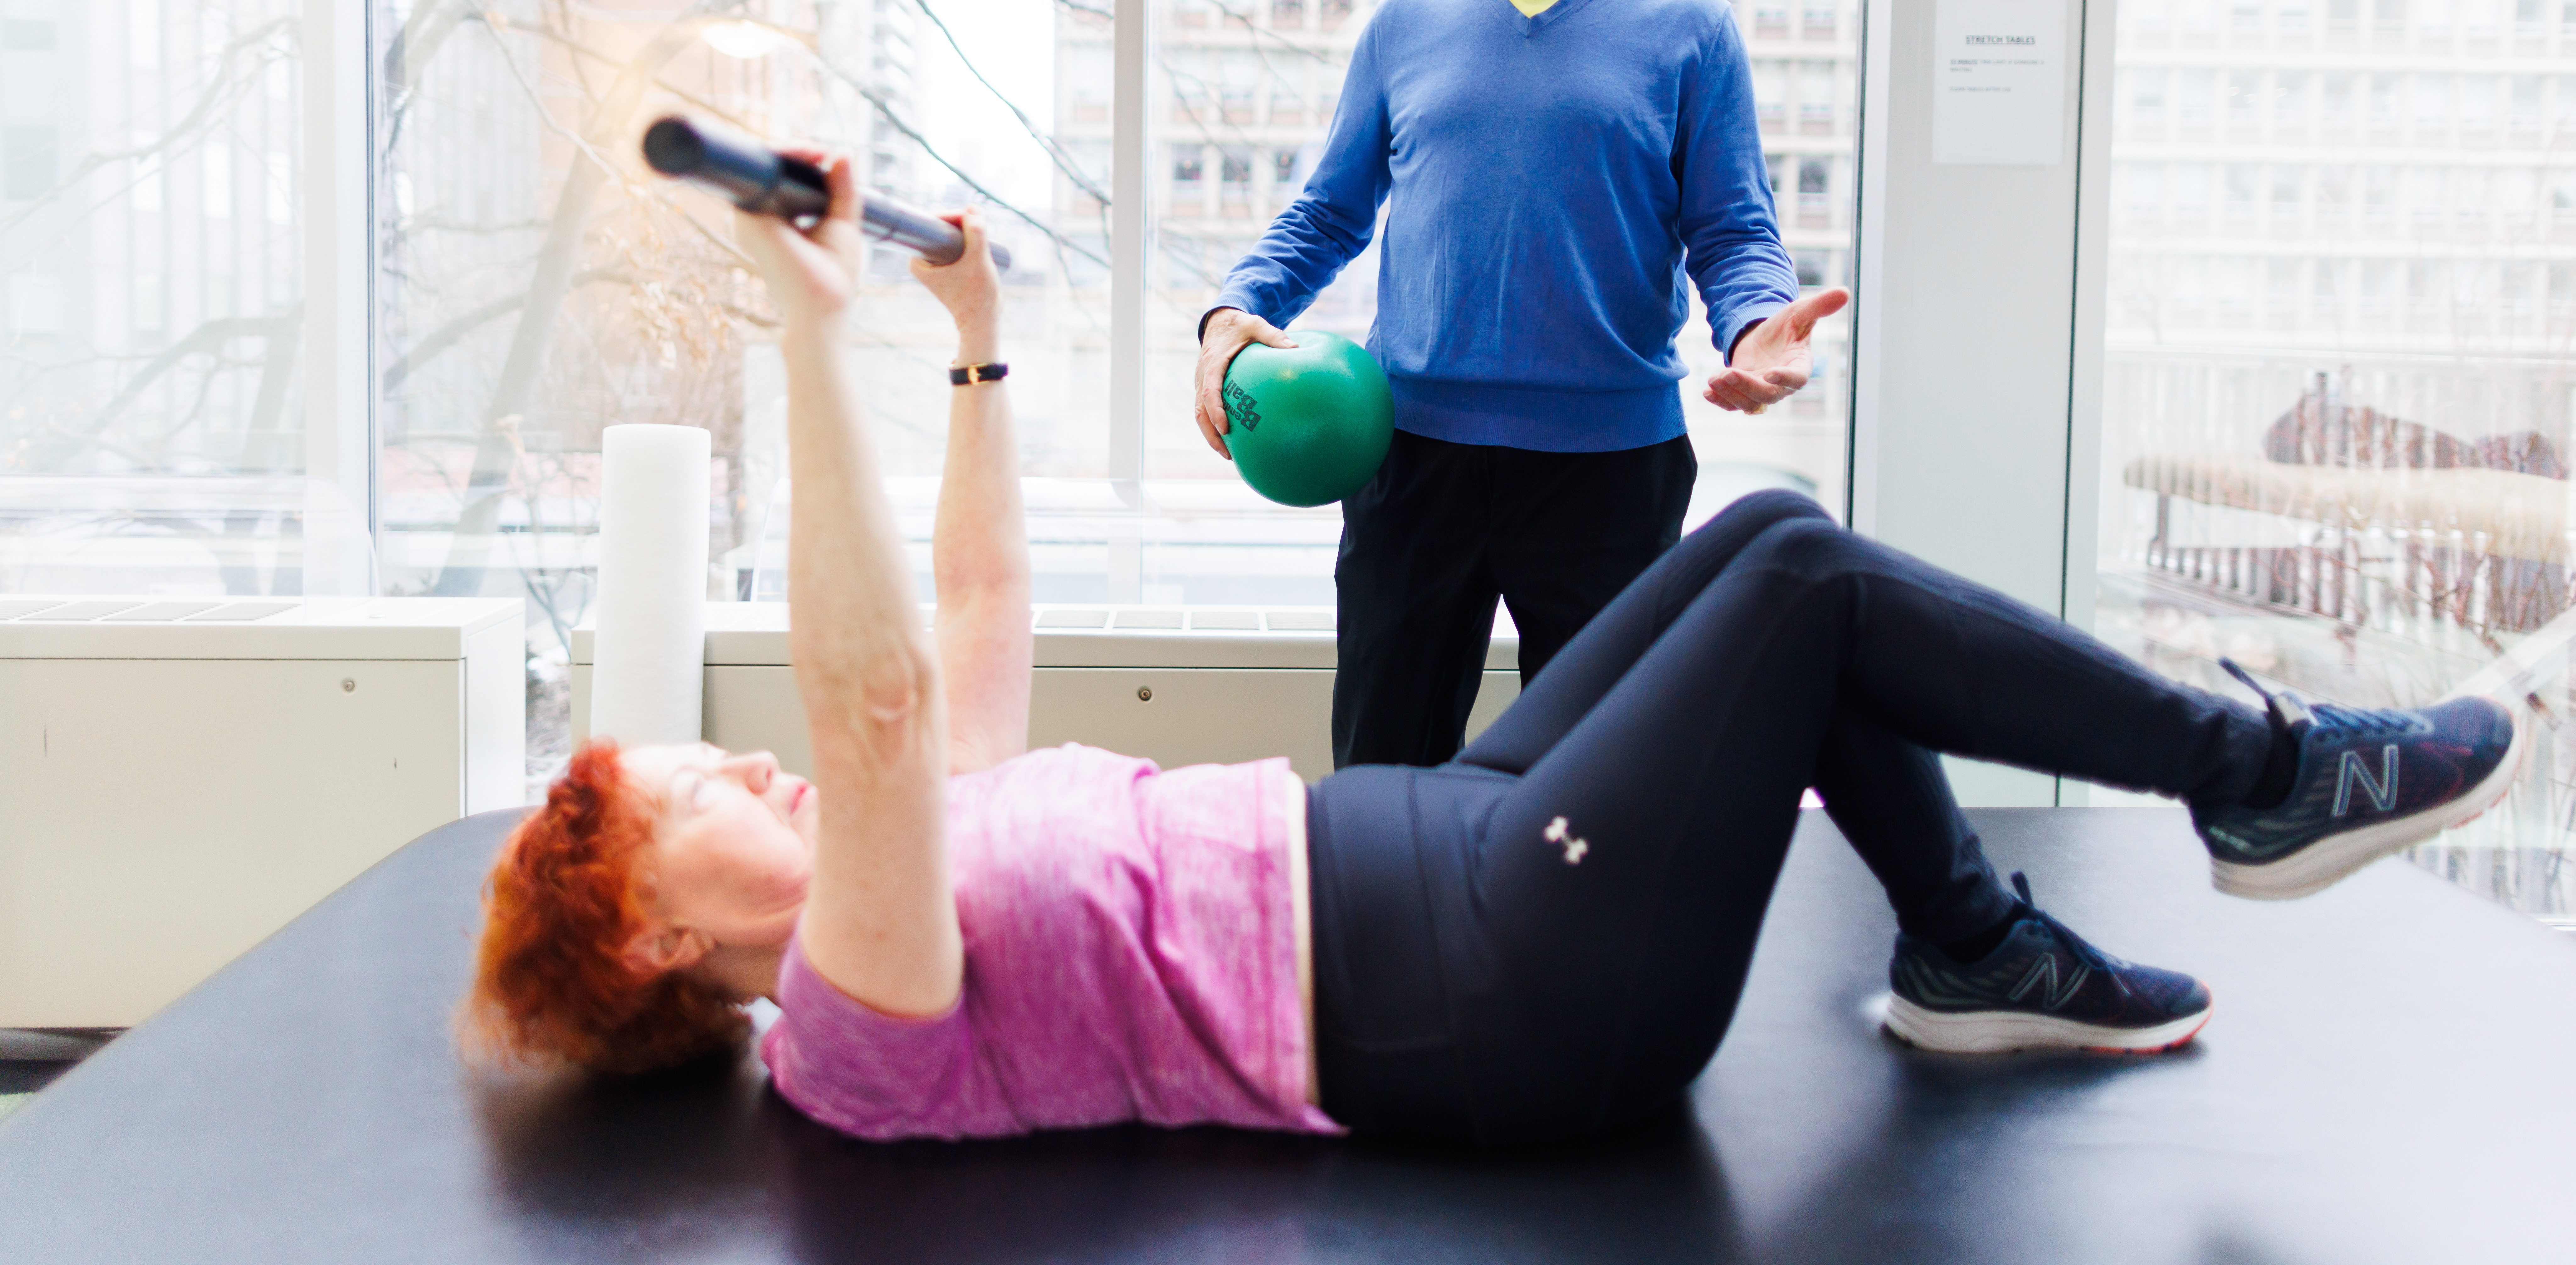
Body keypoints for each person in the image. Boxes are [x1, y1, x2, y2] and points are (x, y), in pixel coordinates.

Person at [467, 157, 2524, 1146]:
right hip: (1492, 987)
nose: (765, 771)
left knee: (1773, 540)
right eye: (703, 796)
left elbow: (973, 620)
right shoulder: (848, 1014)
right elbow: (877, 691)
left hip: (1440, 832)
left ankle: (1966, 945)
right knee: (1800, 608)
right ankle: (2262, 777)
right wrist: (811, 338)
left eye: (725, 754)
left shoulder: (894, 867)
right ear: (657, 940)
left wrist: (977, 329)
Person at [1192, 0, 1847, 771]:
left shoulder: (1692, 29)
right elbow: (1327, 212)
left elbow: (1732, 228)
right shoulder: (1406, 25)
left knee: (1600, 784)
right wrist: (1233, 313)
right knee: (1380, 773)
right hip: (1412, 459)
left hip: (1610, 471)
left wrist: (1758, 329)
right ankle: (1387, 945)